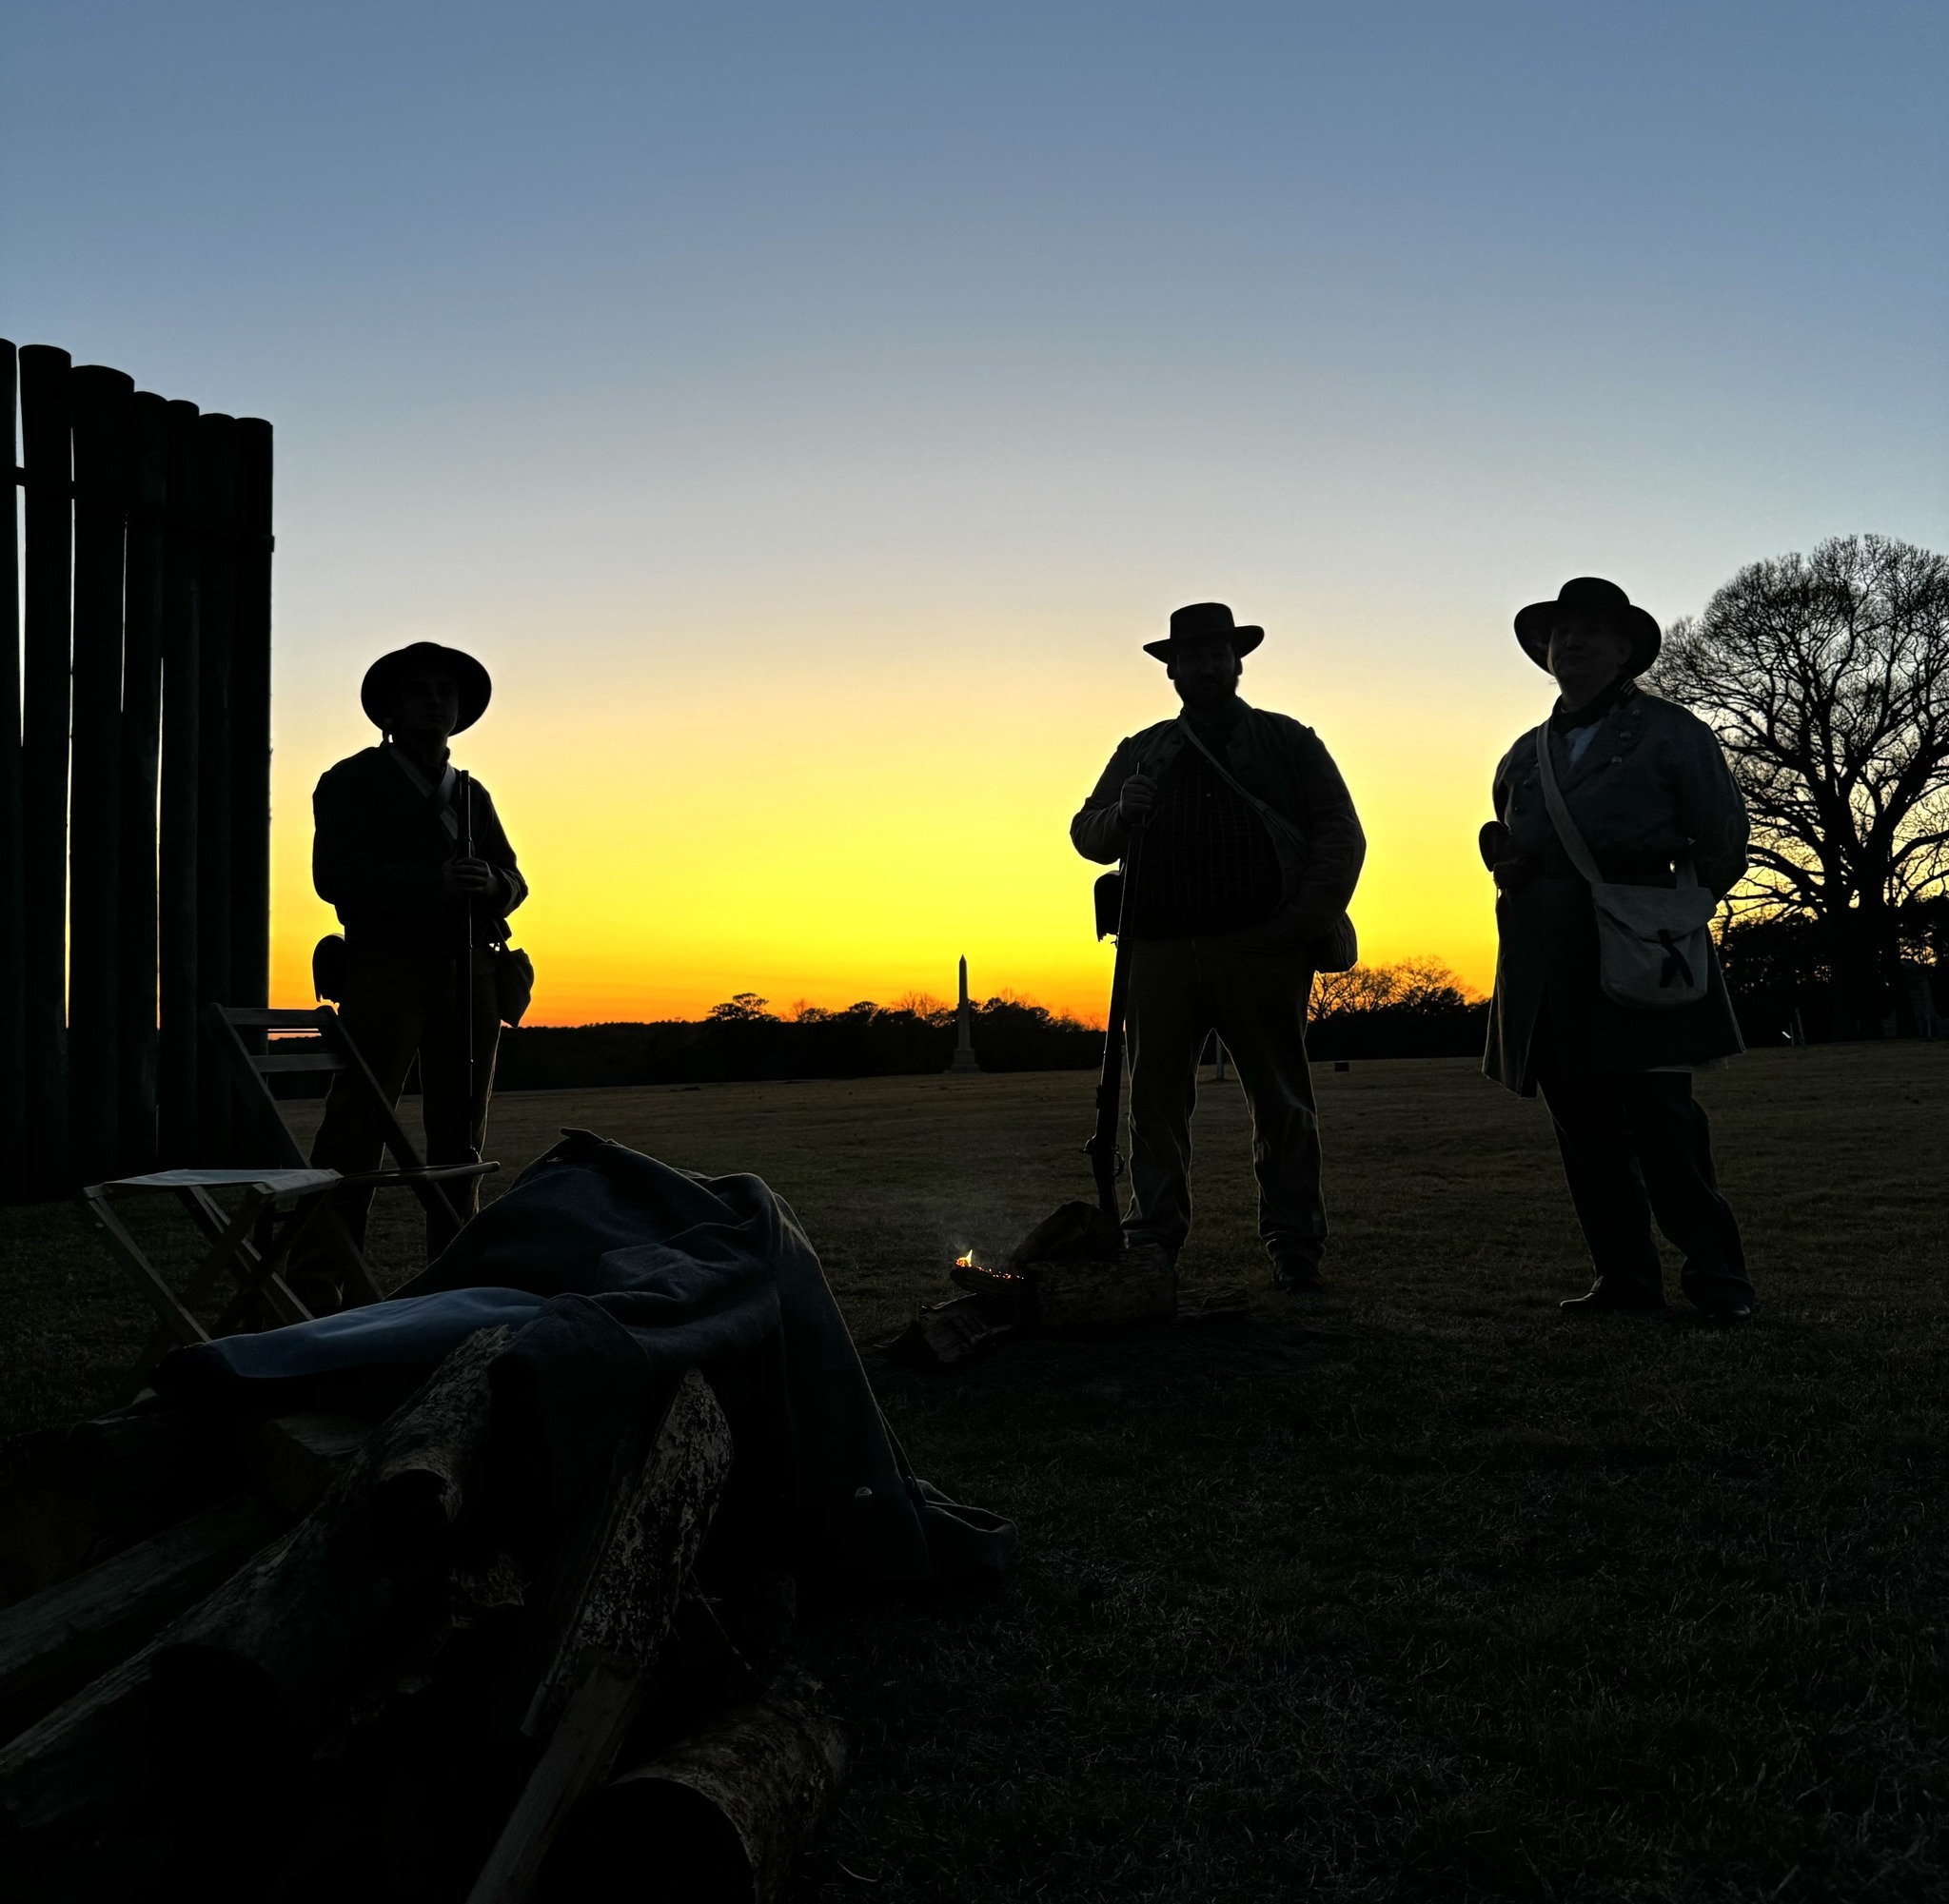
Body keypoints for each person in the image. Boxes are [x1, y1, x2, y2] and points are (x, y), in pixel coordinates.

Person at [1480, 577, 1754, 1321]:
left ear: (1626, 650)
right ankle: (1625, 1281)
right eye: (1560, 634)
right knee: (1585, 1131)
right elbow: (1514, 837)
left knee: (1666, 1123)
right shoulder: (1522, 754)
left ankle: (1719, 1280)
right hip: (1548, 962)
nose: (1571, 643)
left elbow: (1724, 840)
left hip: (1639, 948)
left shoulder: (1674, 732)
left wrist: (1670, 913)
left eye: (1591, 632)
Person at [1071, 602, 1366, 1288]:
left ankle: (1296, 1247)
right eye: (1190, 656)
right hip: (1159, 953)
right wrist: (1122, 813)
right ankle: (1152, 1244)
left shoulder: (1288, 741)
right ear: (1171, 671)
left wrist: (1294, 925)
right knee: (1153, 1108)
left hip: (1260, 949)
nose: (1204, 665)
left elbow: (1340, 835)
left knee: (1283, 1104)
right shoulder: (1142, 749)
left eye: (1216, 654)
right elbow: (1088, 834)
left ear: (1237, 663)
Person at [292, 642, 526, 1310]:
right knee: (354, 1135)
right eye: (419, 690)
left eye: (445, 691)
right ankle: (316, 1294)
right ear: (390, 709)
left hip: (473, 975)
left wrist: (493, 883)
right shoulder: (350, 780)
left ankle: (453, 1292)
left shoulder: (473, 793)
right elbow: (335, 877)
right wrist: (434, 884)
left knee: (462, 1142)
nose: (435, 700)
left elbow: (516, 878)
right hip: (384, 974)